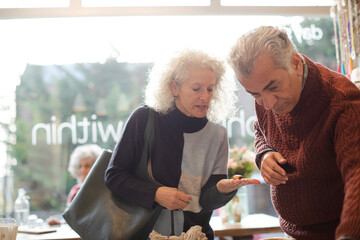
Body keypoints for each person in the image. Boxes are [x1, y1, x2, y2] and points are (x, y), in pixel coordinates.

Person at [105, 49, 260, 239]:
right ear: (174, 88)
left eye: (210, 89)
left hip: (196, 235)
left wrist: (222, 190)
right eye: (197, 89)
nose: (205, 97)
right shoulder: (144, 119)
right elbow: (114, 176)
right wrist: (156, 193)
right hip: (148, 233)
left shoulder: (217, 134)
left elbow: (206, 201)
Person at [228, 26, 360, 240]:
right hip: (290, 231)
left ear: (296, 64)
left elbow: (357, 176)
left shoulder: (342, 101)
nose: (267, 104)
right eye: (254, 94)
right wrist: (265, 154)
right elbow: (260, 130)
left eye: (273, 87)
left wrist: (349, 235)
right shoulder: (265, 91)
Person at [47, 144, 102, 226]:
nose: (82, 170)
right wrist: (58, 222)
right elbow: (70, 219)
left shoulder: (103, 189)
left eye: (87, 166)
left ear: (96, 166)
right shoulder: (75, 190)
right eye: (80, 166)